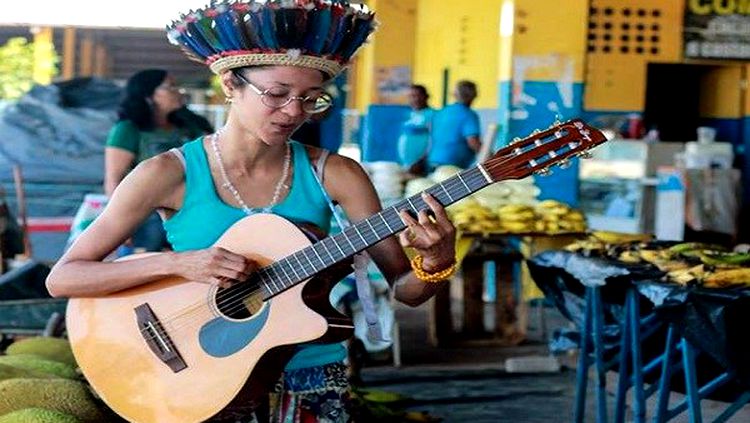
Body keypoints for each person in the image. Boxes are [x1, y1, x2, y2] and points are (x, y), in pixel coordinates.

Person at [46, 1, 457, 422]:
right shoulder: (167, 173)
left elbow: (405, 290)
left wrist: (437, 263)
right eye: (276, 94)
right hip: (201, 380)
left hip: (310, 378)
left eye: (311, 99)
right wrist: (179, 263)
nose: (294, 112)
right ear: (229, 83)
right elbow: (64, 277)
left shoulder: (337, 174)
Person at [104, 69, 213, 252]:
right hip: (147, 218)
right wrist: (121, 225)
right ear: (149, 95)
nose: (178, 91)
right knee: (146, 269)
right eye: (170, 87)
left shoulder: (191, 126)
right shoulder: (128, 129)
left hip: (193, 211)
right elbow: (114, 178)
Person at [427, 80, 482, 170]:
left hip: (433, 160)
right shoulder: (468, 114)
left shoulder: (441, 112)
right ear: (474, 95)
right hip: (452, 165)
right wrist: (493, 157)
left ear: (454, 95)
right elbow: (473, 142)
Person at [397, 84, 435, 175]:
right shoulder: (409, 115)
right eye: (412, 96)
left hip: (422, 166)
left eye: (419, 96)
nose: (415, 99)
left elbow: (434, 141)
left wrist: (421, 161)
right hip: (406, 164)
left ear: (426, 96)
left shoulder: (432, 115)